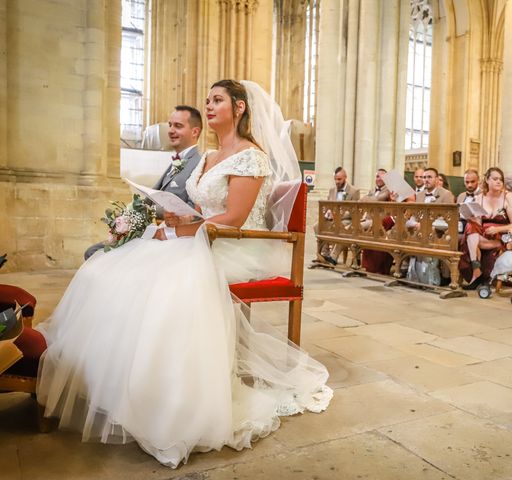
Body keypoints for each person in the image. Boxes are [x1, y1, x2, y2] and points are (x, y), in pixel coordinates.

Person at [35, 80, 332, 468]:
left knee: (163, 283)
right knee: (108, 269)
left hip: (237, 246)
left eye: (217, 100)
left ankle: (173, 402)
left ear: (239, 108)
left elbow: (234, 220)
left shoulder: (250, 157)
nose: (208, 106)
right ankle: (115, 385)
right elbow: (204, 211)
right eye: (207, 100)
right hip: (204, 237)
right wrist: (175, 218)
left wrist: (178, 229)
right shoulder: (208, 156)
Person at [84, 106, 203, 259]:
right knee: (94, 252)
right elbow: (150, 197)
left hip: (175, 237)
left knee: (96, 255)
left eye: (178, 126)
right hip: (152, 228)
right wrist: (127, 216)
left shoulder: (199, 164)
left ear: (195, 131)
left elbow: (195, 212)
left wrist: (152, 214)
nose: (171, 130)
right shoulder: (177, 161)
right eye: (170, 125)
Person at [460, 167, 512, 290]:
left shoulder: (508, 197)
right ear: (487, 180)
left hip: (503, 235)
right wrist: (472, 218)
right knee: (471, 227)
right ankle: (476, 269)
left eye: (501, 180)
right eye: (495, 179)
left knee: (470, 240)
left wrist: (497, 229)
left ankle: (476, 274)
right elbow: (478, 223)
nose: (499, 182)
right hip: (484, 235)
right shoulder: (480, 197)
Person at [319, 167, 360, 265]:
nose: (337, 182)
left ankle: (333, 257)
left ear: (345, 177)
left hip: (347, 220)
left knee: (342, 227)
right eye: (335, 179)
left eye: (339, 179)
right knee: (318, 225)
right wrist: (328, 213)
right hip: (332, 218)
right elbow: (328, 205)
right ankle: (325, 254)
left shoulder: (354, 191)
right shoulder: (332, 190)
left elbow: (354, 211)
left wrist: (338, 216)